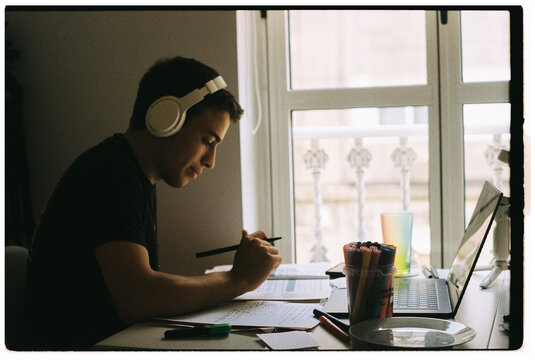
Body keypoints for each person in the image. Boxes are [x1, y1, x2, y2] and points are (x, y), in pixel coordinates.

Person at [25, 56, 282, 350]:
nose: (211, 161)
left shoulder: (129, 173)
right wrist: (239, 279)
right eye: (208, 141)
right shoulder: (110, 175)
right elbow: (138, 297)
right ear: (166, 118)